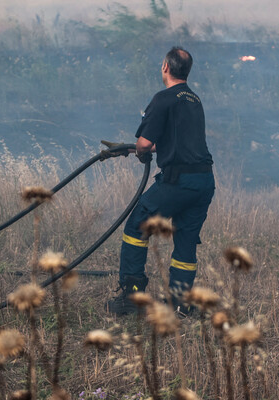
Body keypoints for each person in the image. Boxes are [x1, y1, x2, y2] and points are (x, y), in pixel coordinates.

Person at [106, 46, 215, 316]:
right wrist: (131, 148)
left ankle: (132, 299)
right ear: (186, 71)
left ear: (165, 67)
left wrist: (140, 150)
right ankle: (181, 304)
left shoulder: (163, 98)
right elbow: (173, 144)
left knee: (136, 226)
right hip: (203, 183)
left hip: (177, 182)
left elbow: (146, 143)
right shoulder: (194, 99)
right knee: (186, 240)